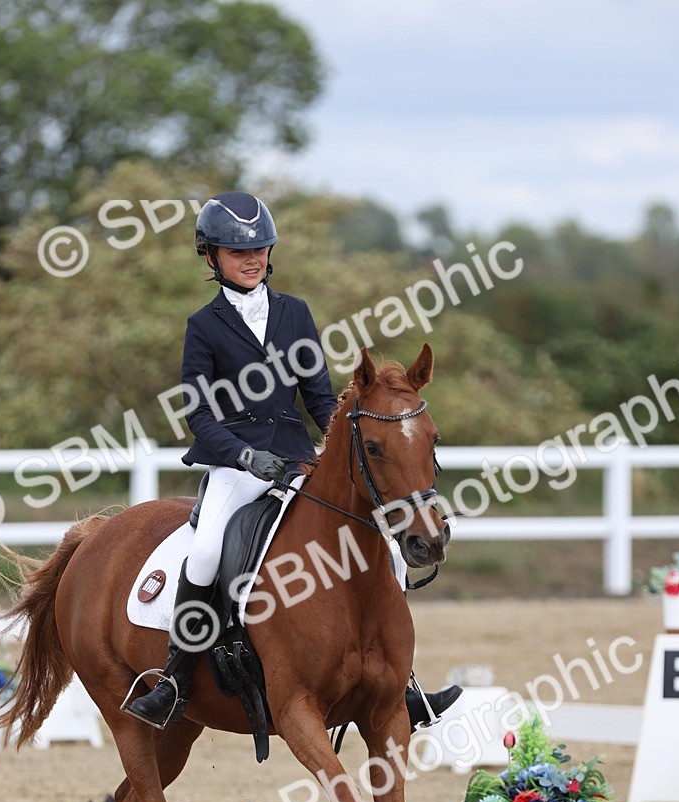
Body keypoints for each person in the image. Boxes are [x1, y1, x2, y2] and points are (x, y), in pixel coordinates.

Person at [125, 191, 461, 731]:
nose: (251, 259)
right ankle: (176, 678)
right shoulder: (204, 326)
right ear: (211, 256)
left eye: (259, 248)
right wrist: (243, 456)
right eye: (238, 252)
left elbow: (320, 398)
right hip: (236, 468)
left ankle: (403, 683)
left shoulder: (294, 313)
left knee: (386, 551)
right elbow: (200, 414)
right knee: (206, 552)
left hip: (298, 463)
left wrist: (338, 445)